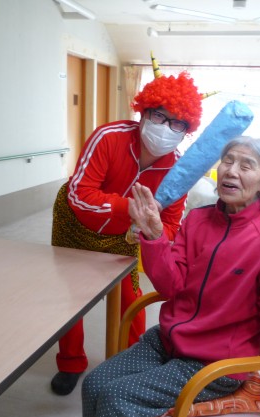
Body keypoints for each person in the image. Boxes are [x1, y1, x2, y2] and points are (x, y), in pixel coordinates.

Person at [81, 136, 260, 417]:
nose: (231, 171)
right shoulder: (196, 219)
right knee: (93, 383)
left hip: (212, 364)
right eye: (228, 161)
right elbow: (170, 287)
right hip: (168, 341)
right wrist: (155, 237)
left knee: (116, 397)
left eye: (246, 165)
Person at [49, 70, 205, 396]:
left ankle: (130, 364)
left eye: (177, 123)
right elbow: (80, 194)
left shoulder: (178, 171)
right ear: (143, 112)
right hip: (75, 221)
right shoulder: (109, 137)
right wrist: (130, 209)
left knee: (130, 299)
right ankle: (70, 363)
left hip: (124, 235)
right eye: (159, 115)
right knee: (71, 295)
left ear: (187, 130)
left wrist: (148, 231)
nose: (166, 127)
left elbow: (171, 226)